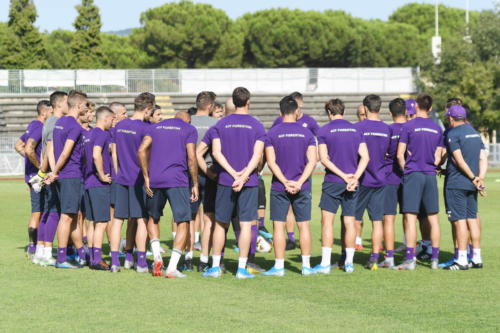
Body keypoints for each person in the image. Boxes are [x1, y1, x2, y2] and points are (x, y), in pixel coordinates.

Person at [203, 87, 266, 279]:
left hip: (225, 181)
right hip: (249, 182)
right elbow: (258, 155)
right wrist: (244, 176)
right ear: (248, 102)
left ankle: (214, 267)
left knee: (221, 224)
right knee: (246, 225)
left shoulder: (220, 124)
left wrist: (232, 174)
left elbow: (215, 153)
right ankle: (241, 269)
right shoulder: (257, 125)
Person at [138, 111, 199, 278]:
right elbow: (192, 157)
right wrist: (194, 183)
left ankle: (157, 255)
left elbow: (142, 150)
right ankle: (172, 267)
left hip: (155, 179)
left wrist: (146, 176)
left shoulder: (155, 127)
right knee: (183, 221)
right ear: (188, 120)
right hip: (177, 180)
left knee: (153, 217)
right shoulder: (189, 129)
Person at [262, 95, 317, 276]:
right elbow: (312, 161)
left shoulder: (272, 133)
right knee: (304, 226)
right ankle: (306, 266)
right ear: (297, 111)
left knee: (279, 226)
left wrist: (285, 181)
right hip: (302, 186)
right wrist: (300, 182)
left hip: (280, 186)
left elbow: (271, 162)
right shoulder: (307, 133)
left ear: (280, 111)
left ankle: (279, 267)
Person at [313, 99, 369, 274]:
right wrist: (354, 178)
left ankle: (325, 263)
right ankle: (349, 263)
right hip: (352, 183)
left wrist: (343, 176)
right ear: (343, 111)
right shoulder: (356, 130)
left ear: (329, 112)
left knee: (327, 222)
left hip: (333, 182)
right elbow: (366, 157)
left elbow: (323, 159)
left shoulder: (324, 131)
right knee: (350, 221)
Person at [396, 93, 444, 270]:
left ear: (416, 106)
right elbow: (438, 156)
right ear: (430, 108)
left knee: (410, 217)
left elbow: (400, 154)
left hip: (413, 174)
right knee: (433, 218)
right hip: (430, 175)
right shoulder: (437, 128)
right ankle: (435, 260)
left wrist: (405, 169)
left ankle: (410, 260)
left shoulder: (408, 126)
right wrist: (431, 165)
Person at [110, 92, 155, 273]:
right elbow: (147, 155)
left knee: (118, 220)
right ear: (148, 109)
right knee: (141, 219)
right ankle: (141, 262)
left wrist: (117, 171)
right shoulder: (146, 129)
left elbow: (113, 152)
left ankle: (117, 261)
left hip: (121, 178)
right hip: (138, 179)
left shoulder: (120, 126)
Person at [46, 90, 89, 269]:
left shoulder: (59, 123)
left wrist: (54, 171)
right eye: (86, 105)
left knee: (71, 217)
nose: (87, 108)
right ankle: (61, 259)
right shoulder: (74, 126)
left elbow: (53, 148)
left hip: (63, 175)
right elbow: (65, 152)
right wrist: (55, 171)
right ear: (79, 105)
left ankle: (81, 254)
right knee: (66, 217)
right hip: (70, 175)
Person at [442, 105, 487, 270]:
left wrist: (473, 177)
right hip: (472, 185)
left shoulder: (452, 134)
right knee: (472, 219)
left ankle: (461, 259)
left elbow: (459, 160)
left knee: (459, 220)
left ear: (451, 118)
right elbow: (483, 158)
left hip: (457, 183)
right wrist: (479, 178)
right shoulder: (475, 133)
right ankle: (476, 257)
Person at [353, 95, 391, 270]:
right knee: (377, 221)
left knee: (353, 219)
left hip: (361, 180)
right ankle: (374, 257)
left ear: (365, 108)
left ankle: (348, 256)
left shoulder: (357, 128)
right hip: (380, 179)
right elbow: (389, 155)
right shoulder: (386, 129)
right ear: (380, 108)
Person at [35, 91, 68, 267]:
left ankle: (40, 251)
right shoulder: (55, 122)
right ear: (59, 104)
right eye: (66, 102)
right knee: (55, 212)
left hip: (47, 171)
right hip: (52, 172)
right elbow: (49, 149)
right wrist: (53, 172)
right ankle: (46, 252)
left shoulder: (49, 121)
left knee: (48, 211)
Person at [189, 92, 219, 271]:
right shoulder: (216, 124)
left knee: (190, 218)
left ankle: (188, 257)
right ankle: (204, 259)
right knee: (209, 217)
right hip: (210, 173)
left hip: (188, 173)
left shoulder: (187, 122)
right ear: (210, 106)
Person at [83, 106, 114, 270]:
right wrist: (102, 175)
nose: (112, 122)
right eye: (112, 119)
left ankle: (91, 256)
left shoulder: (89, 134)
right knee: (101, 222)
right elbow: (96, 155)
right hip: (98, 184)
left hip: (88, 182)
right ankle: (97, 259)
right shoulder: (102, 134)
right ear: (106, 118)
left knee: (92, 223)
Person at [379, 98, 407, 268]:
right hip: (408, 178)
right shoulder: (411, 128)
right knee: (409, 217)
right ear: (405, 111)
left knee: (388, 218)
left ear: (390, 113)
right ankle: (409, 252)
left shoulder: (388, 130)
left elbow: (383, 153)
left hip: (389, 178)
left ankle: (389, 258)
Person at [23, 100, 51, 262]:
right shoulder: (40, 126)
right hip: (38, 178)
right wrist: (40, 167)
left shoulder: (32, 125)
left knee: (38, 210)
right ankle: (33, 246)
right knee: (38, 212)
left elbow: (19, 145)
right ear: (44, 112)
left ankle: (34, 245)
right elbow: (28, 148)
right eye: (51, 111)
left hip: (32, 176)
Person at [354, 104, 366, 250]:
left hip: (376, 177)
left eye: (365, 114)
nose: (363, 117)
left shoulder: (380, 128)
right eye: (361, 114)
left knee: (378, 215)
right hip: (358, 176)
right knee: (357, 212)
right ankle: (357, 240)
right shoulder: (354, 129)